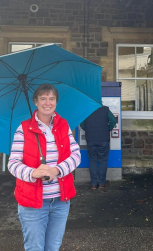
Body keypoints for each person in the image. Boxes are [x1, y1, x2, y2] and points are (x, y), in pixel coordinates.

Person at [8, 84, 81, 251]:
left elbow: (76, 155)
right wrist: (33, 172)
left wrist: (57, 170)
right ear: (35, 102)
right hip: (33, 203)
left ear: (56, 101)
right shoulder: (23, 129)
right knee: (35, 247)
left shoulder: (63, 125)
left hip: (61, 201)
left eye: (51, 98)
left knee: (53, 247)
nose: (47, 103)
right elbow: (13, 164)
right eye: (43, 98)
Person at [80, 105, 117, 190]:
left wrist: (89, 130)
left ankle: (93, 184)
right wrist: (108, 129)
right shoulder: (105, 109)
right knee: (103, 160)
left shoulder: (87, 109)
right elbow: (113, 120)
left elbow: (82, 125)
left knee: (93, 160)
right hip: (103, 139)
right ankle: (101, 183)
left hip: (91, 139)